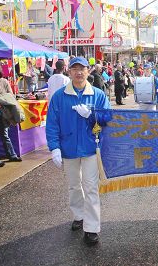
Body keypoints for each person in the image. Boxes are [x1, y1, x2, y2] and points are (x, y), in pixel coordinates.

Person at [46, 57, 111, 246]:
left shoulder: (98, 94)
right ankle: (79, 215)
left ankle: (91, 228)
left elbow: (107, 117)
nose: (78, 72)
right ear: (69, 72)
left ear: (88, 71)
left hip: (91, 148)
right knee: (74, 185)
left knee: (91, 187)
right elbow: (52, 124)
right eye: (74, 69)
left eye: (82, 69)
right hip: (68, 148)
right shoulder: (59, 96)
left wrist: (92, 115)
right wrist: (55, 148)